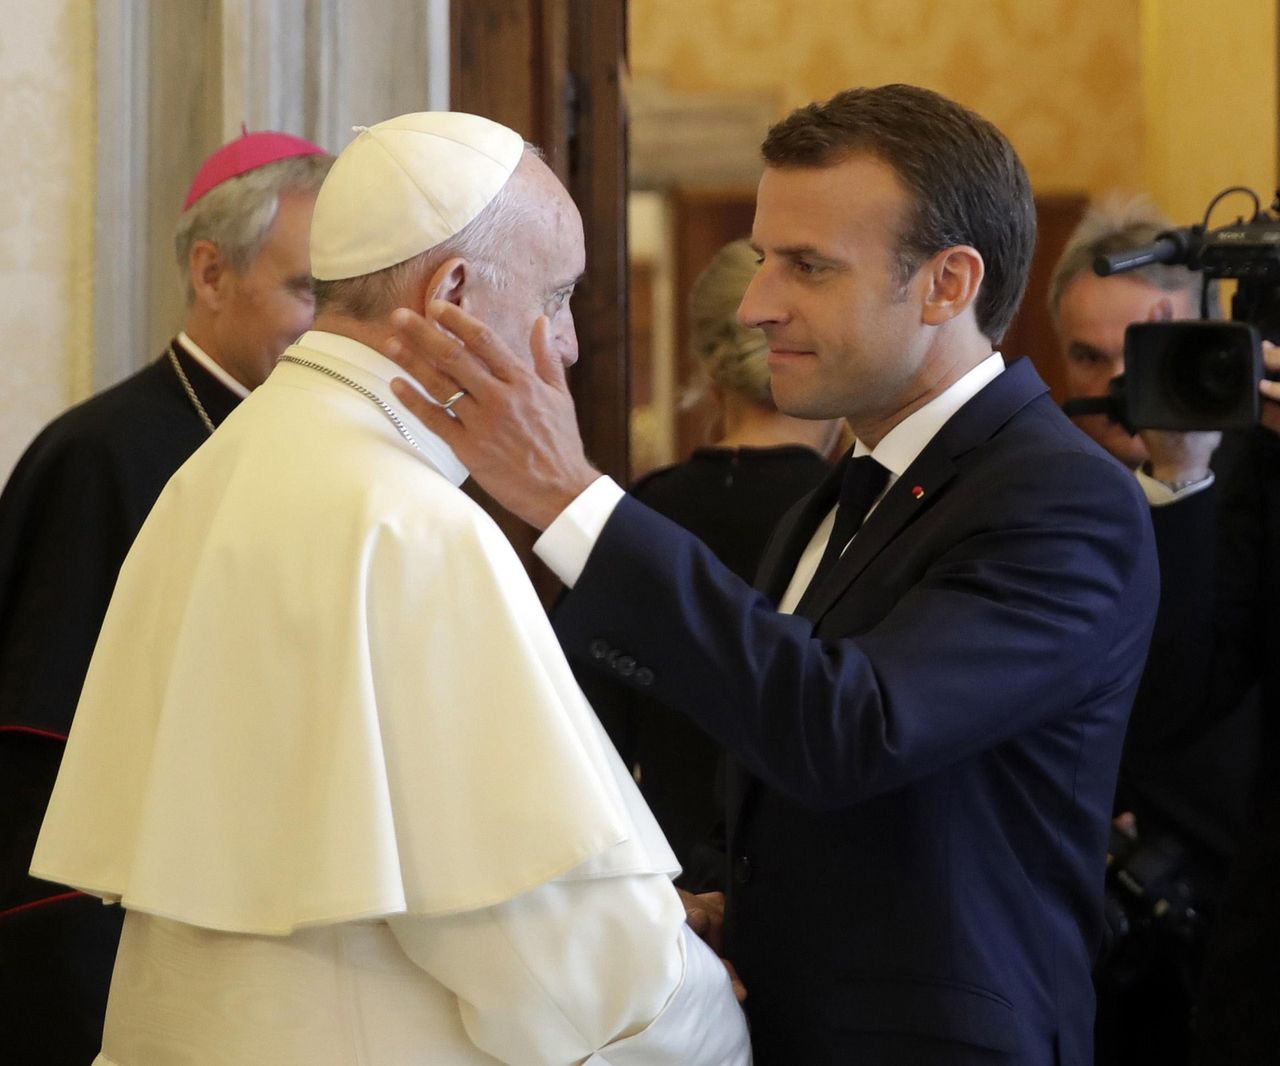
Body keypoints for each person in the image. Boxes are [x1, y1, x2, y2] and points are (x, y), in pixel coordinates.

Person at [383, 84, 1159, 1065]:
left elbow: (849, 727)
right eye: (762, 259)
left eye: (807, 266)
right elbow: (780, 761)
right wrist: (722, 905)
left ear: (946, 285)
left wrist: (569, 494)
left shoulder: (1062, 498)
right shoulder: (846, 489)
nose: (755, 305)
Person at [31, 111, 749, 1066]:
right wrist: (711, 1018)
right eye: (560, 295)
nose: (569, 345)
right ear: (452, 291)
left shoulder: (211, 469)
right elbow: (539, 939)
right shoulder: (415, 522)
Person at [0, 128, 330, 1064]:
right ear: (211, 273)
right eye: (307, 291)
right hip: (119, 940)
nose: (333, 325)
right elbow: (42, 761)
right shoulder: (101, 456)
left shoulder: (315, 446)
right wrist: (69, 967)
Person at [1048, 197, 1259, 1065]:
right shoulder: (1035, 490)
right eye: (1087, 358)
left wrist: (1185, 474)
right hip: (1101, 946)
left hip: (1238, 916)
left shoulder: (1256, 473)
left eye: (1142, 355)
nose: (1113, 392)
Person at [594, 238, 840, 888]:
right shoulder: (860, 521)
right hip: (819, 902)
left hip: (665, 902)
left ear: (705, 359)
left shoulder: (638, 520)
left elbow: (585, 745)